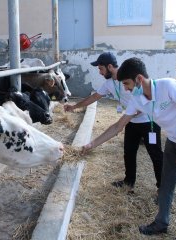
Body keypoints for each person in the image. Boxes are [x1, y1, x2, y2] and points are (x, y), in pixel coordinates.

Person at [82, 57, 176, 240]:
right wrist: (92, 144)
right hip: (173, 140)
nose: (125, 89)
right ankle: (161, 223)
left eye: (127, 83)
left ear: (139, 79)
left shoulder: (168, 86)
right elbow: (118, 126)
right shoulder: (137, 99)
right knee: (165, 186)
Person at [64, 52, 163, 190]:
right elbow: (93, 98)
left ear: (110, 66)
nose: (99, 72)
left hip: (149, 122)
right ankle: (129, 182)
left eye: (100, 68)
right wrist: (74, 106)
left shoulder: (133, 79)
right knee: (129, 152)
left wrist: (134, 113)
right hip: (131, 121)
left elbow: (146, 99)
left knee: (155, 155)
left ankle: (162, 188)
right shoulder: (109, 84)